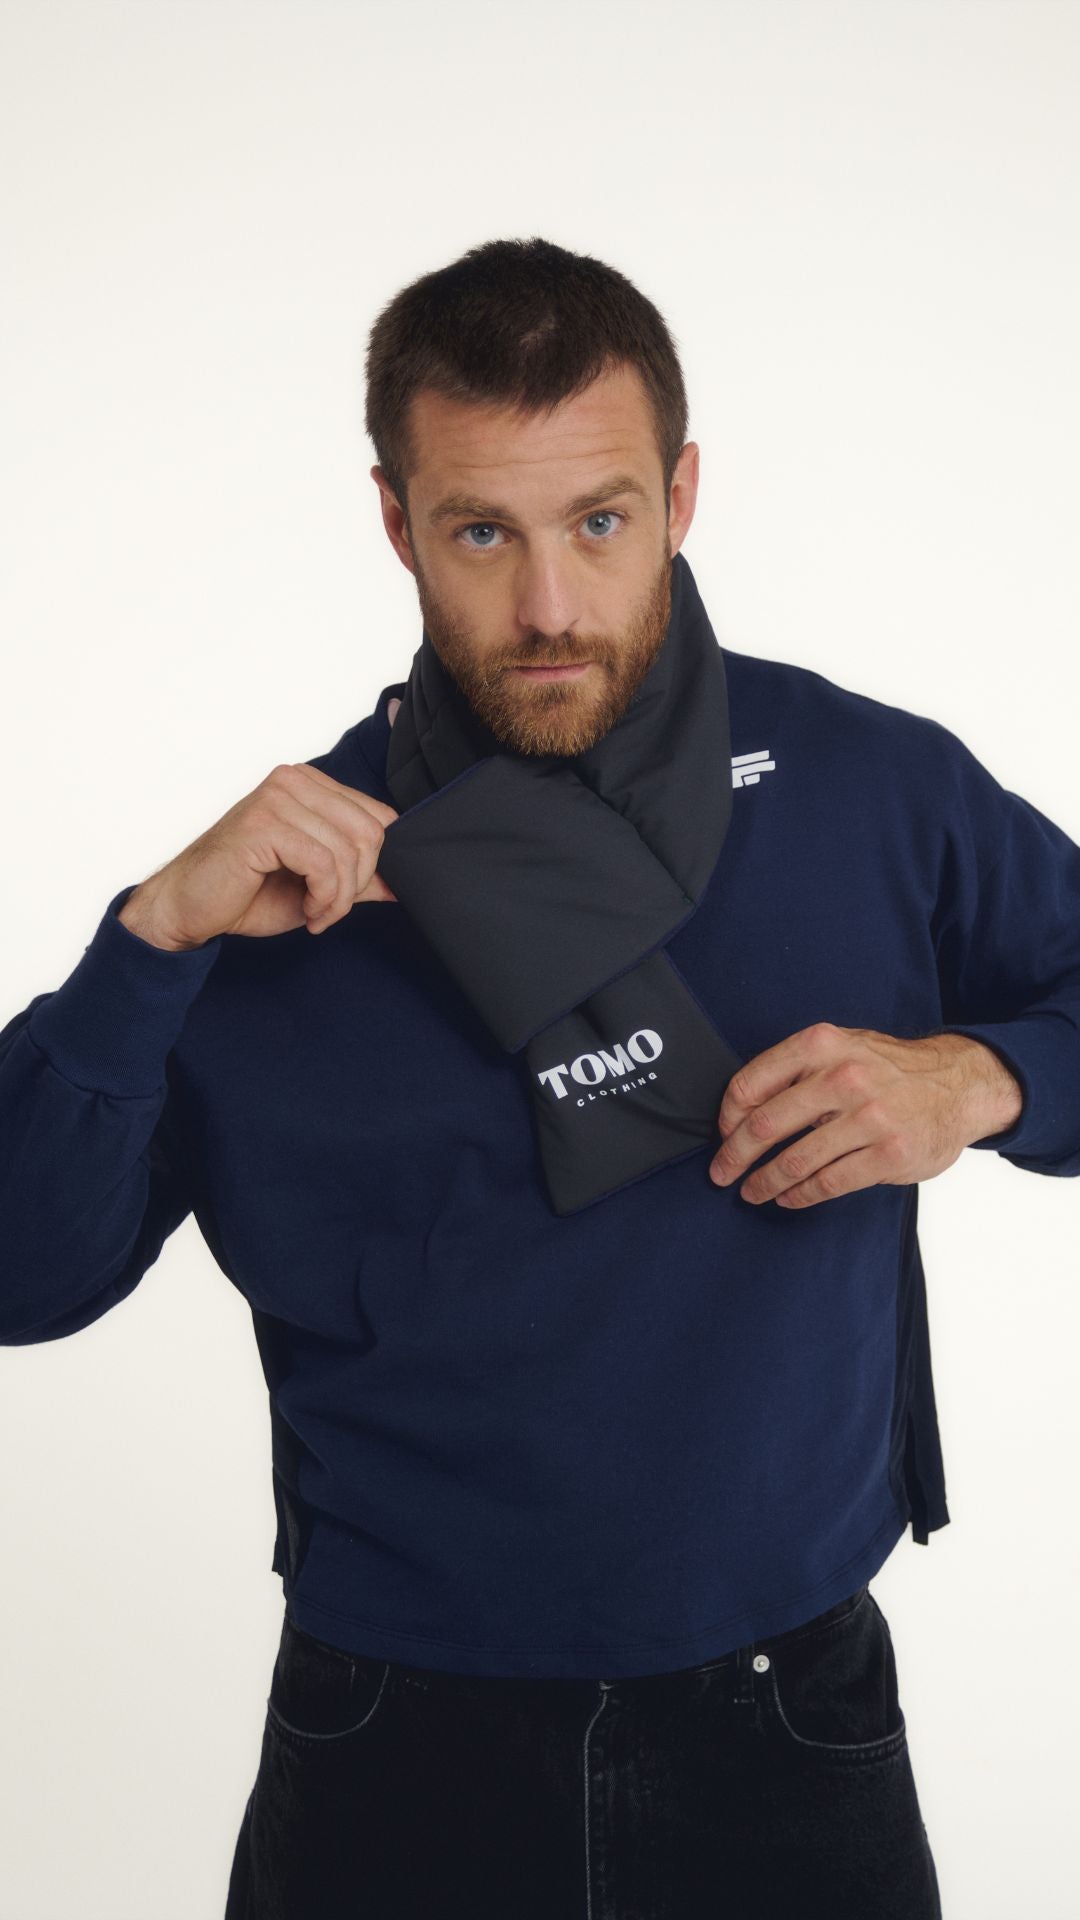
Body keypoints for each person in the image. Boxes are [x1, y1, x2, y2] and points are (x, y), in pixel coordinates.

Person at [4, 235, 1078, 1920]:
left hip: (788, 1722)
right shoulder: (277, 884)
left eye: (600, 521)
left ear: (683, 495)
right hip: (386, 1737)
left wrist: (978, 1081)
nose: (552, 608)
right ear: (396, 523)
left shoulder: (874, 789)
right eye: (482, 533)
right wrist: (149, 941)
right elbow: (21, 1278)